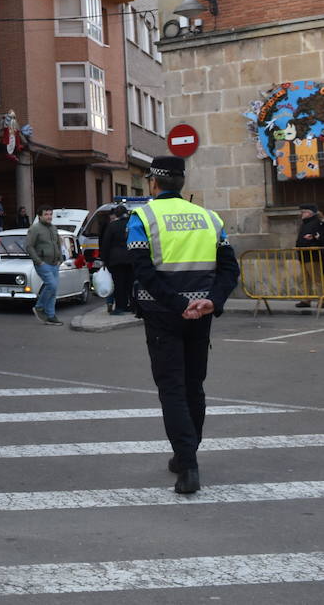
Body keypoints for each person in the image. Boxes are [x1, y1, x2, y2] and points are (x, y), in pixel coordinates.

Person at [126, 155, 238, 495]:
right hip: (201, 315)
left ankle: (188, 465)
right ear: (181, 183)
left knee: (172, 390)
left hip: (163, 315)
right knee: (194, 386)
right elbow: (229, 269)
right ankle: (186, 453)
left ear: (153, 183)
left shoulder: (142, 217)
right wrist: (211, 301)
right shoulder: (209, 217)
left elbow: (143, 271)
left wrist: (178, 304)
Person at [27, 206, 63, 325]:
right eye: (46, 214)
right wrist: (38, 261)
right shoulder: (35, 229)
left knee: (53, 290)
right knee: (51, 285)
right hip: (43, 263)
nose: (49, 217)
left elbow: (58, 243)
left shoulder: (53, 228)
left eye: (50, 214)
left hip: (55, 263)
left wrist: (60, 258)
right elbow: (29, 246)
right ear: (40, 216)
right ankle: (39, 307)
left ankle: (51, 315)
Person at [99, 204, 135, 315]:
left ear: (116, 214)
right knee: (130, 284)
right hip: (131, 259)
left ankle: (120, 307)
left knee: (119, 284)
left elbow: (106, 244)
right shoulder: (132, 225)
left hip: (116, 260)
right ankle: (133, 306)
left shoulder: (112, 226)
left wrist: (104, 259)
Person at [295, 205, 323, 307]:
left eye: (304, 212)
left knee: (317, 279)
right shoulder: (304, 224)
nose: (302, 214)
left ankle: (322, 299)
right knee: (305, 279)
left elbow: (321, 237)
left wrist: (314, 238)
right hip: (303, 255)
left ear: (310, 213)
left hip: (313, 255)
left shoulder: (317, 223)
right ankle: (306, 299)